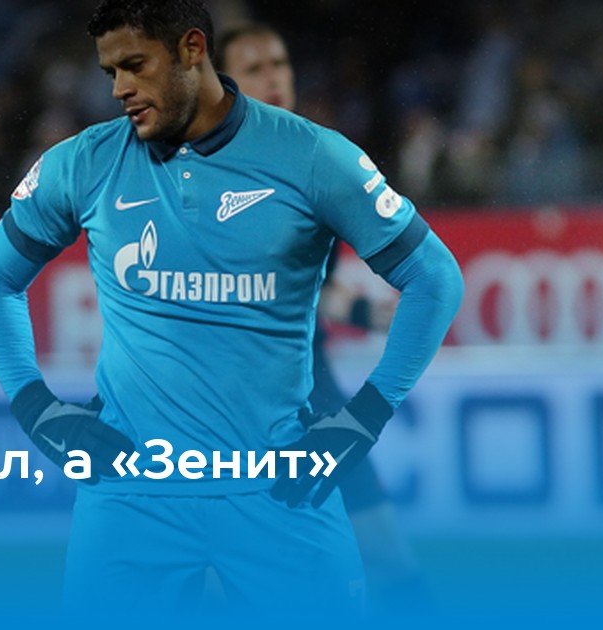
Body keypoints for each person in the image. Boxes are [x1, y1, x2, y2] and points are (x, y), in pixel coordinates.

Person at [0, 0, 463, 617]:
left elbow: (434, 278)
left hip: (281, 489)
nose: (119, 89)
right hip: (129, 497)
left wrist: (366, 416)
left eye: (135, 66)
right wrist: (36, 409)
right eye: (110, 72)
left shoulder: (312, 157)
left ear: (192, 49)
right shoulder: (83, 163)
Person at [215, 23, 432, 611]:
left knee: (387, 556)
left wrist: (366, 311)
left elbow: (311, 287)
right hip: (228, 410)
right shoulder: (197, 176)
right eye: (255, 68)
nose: (274, 77)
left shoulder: (318, 160)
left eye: (279, 63)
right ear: (222, 82)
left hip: (316, 396)